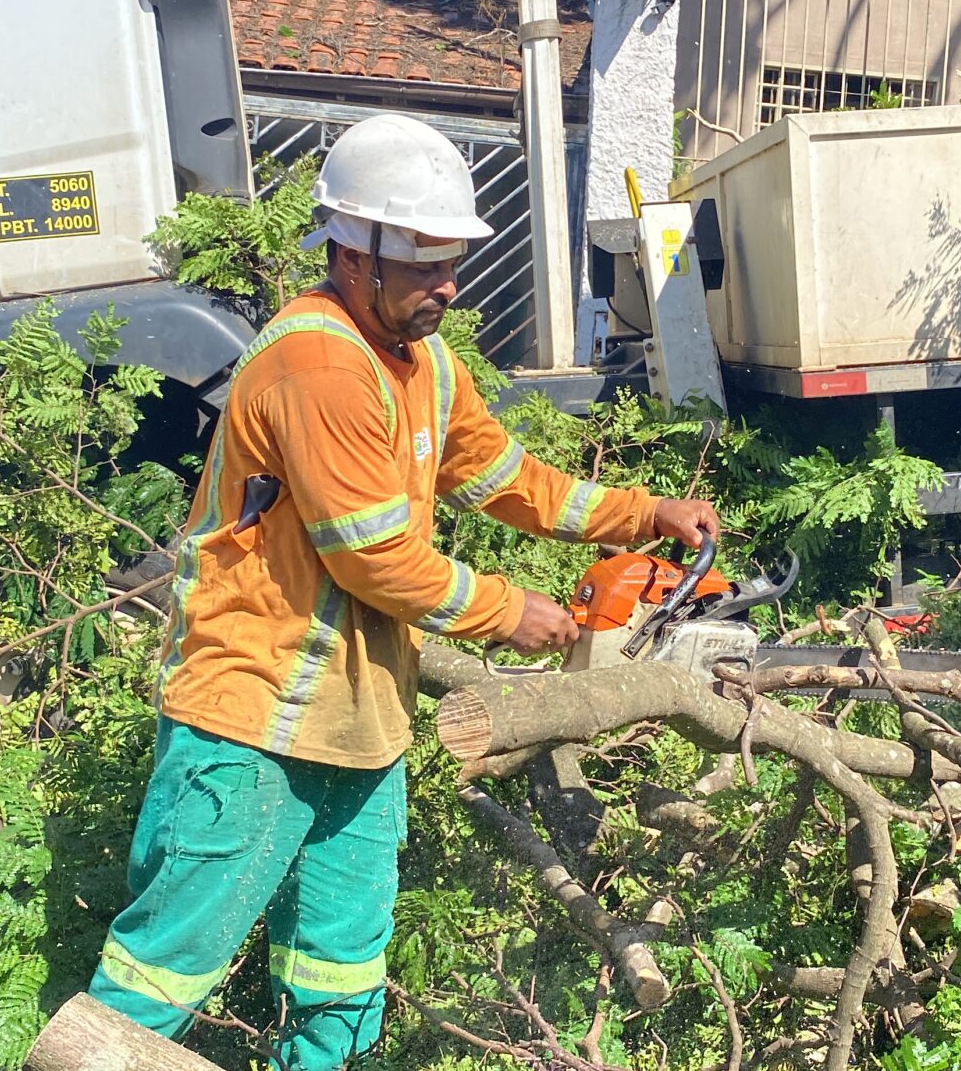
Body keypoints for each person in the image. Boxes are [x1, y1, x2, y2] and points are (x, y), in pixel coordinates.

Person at [86, 114, 720, 1067]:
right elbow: (372, 557)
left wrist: (641, 513)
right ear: (352, 251)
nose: (448, 287)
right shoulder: (317, 362)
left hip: (359, 727)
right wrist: (517, 613)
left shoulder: (422, 366)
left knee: (338, 982)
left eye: (452, 261)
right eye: (426, 265)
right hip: (253, 724)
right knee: (158, 981)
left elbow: (508, 475)